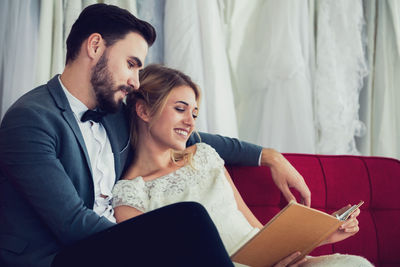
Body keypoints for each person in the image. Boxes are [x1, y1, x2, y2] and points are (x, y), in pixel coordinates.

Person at [0, 3, 310, 267]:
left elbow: (185, 135)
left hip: (104, 245)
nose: (135, 81)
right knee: (187, 219)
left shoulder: (114, 113)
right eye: (131, 64)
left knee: (185, 225)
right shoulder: (30, 120)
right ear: (94, 46)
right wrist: (156, 243)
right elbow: (72, 225)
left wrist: (267, 156)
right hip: (56, 256)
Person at [112, 64, 374, 267]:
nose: (191, 122)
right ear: (144, 111)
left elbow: (257, 234)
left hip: (271, 262)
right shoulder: (129, 195)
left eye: (194, 113)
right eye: (180, 109)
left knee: (354, 264)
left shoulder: (204, 155)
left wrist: (322, 233)